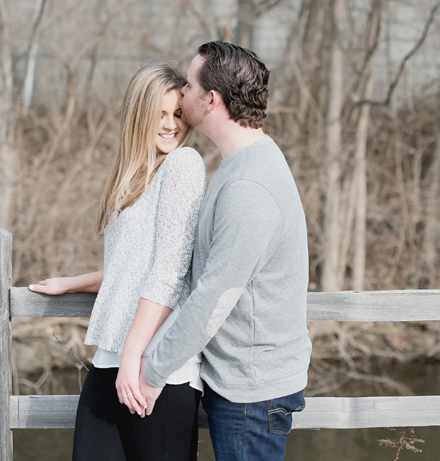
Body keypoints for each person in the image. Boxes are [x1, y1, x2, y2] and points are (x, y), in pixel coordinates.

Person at [131, 41, 312, 461]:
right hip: (244, 386)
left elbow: (213, 296)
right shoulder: (244, 163)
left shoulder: (248, 188)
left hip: (251, 394)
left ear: (211, 100)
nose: (182, 92)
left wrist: (151, 371)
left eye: (189, 86)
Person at [28, 63, 207, 461]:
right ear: (137, 115)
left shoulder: (184, 165)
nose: (170, 125)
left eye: (177, 114)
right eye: (159, 114)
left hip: (157, 365)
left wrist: (135, 358)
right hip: (113, 355)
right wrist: (73, 283)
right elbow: (135, 268)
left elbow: (170, 272)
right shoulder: (132, 177)